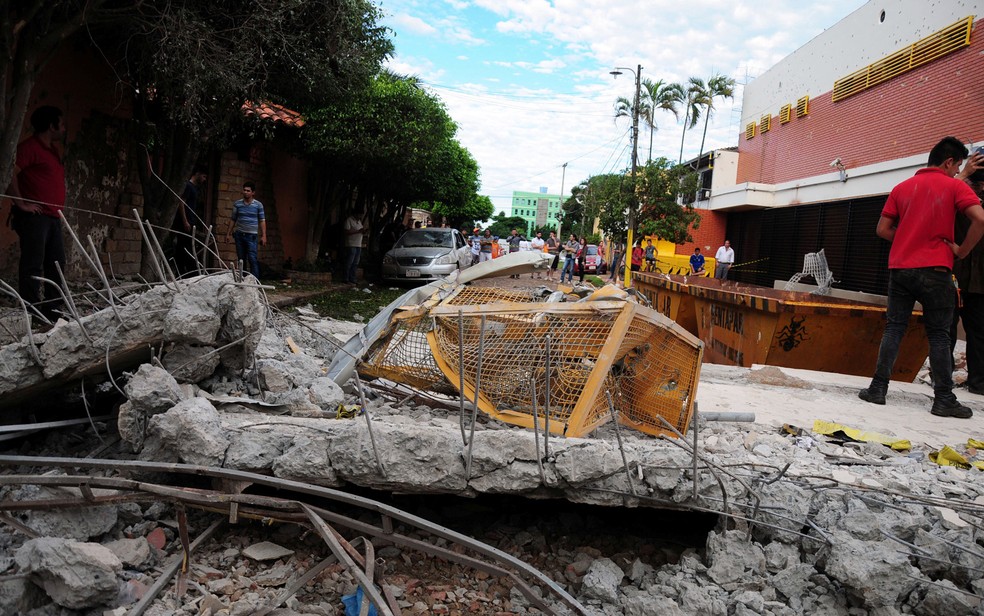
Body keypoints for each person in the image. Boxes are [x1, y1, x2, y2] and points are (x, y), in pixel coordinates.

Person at [858, 137, 984, 419]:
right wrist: (961, 251)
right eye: (957, 166)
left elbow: (882, 229)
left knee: (894, 328)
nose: (957, 172)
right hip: (936, 271)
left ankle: (878, 389)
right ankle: (944, 400)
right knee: (939, 335)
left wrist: (907, 240)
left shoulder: (901, 188)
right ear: (949, 161)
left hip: (900, 270)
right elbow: (981, 219)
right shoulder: (953, 186)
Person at [7, 105, 67, 321]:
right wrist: (21, 203)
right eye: (61, 124)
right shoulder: (29, 148)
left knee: (57, 262)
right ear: (51, 126)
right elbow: (9, 172)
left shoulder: (51, 150)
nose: (64, 129)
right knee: (33, 263)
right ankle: (31, 311)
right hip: (35, 217)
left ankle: (53, 311)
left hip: (53, 217)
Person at [952, 164, 984, 394]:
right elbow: (943, 191)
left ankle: (978, 382)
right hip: (953, 277)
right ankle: (942, 379)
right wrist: (962, 175)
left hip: (979, 281)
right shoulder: (956, 200)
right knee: (945, 330)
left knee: (979, 332)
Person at [224, 181, 266, 280]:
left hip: (251, 236)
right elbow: (233, 219)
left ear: (253, 193)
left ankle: (254, 282)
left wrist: (264, 235)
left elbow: (262, 220)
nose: (246, 192)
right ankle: (242, 280)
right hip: (239, 235)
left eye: (248, 191)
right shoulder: (238, 204)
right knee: (241, 259)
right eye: (244, 190)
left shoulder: (258, 205)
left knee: (252, 258)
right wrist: (228, 234)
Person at [173, 165, 207, 277]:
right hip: (185, 222)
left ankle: (184, 272)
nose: (204, 179)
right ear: (197, 173)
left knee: (185, 247)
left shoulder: (194, 188)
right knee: (185, 248)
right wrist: (185, 221)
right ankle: (187, 273)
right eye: (203, 176)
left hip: (190, 220)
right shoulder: (188, 186)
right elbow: (181, 203)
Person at [342, 208, 365, 284]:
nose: (360, 216)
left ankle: (352, 278)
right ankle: (346, 278)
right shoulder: (349, 220)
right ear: (355, 214)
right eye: (359, 214)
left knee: (355, 263)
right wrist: (358, 231)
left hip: (358, 244)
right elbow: (346, 231)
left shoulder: (359, 222)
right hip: (351, 244)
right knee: (349, 262)